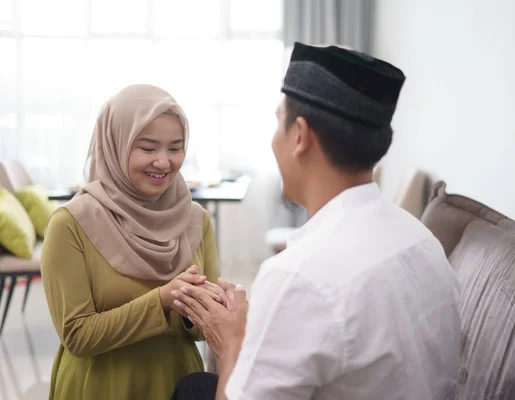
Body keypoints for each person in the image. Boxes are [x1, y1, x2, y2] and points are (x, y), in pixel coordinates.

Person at [169, 43, 461, 400]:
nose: (273, 140)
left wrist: (232, 342)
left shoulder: (298, 274)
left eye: (279, 122)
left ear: (301, 136)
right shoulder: (422, 240)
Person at [41, 84, 229, 400]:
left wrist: (213, 307)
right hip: (99, 386)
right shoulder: (70, 225)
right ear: (115, 144)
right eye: (147, 147)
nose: (163, 162)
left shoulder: (196, 220)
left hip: (177, 384)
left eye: (175, 147)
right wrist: (163, 300)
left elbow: (200, 331)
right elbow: (77, 335)